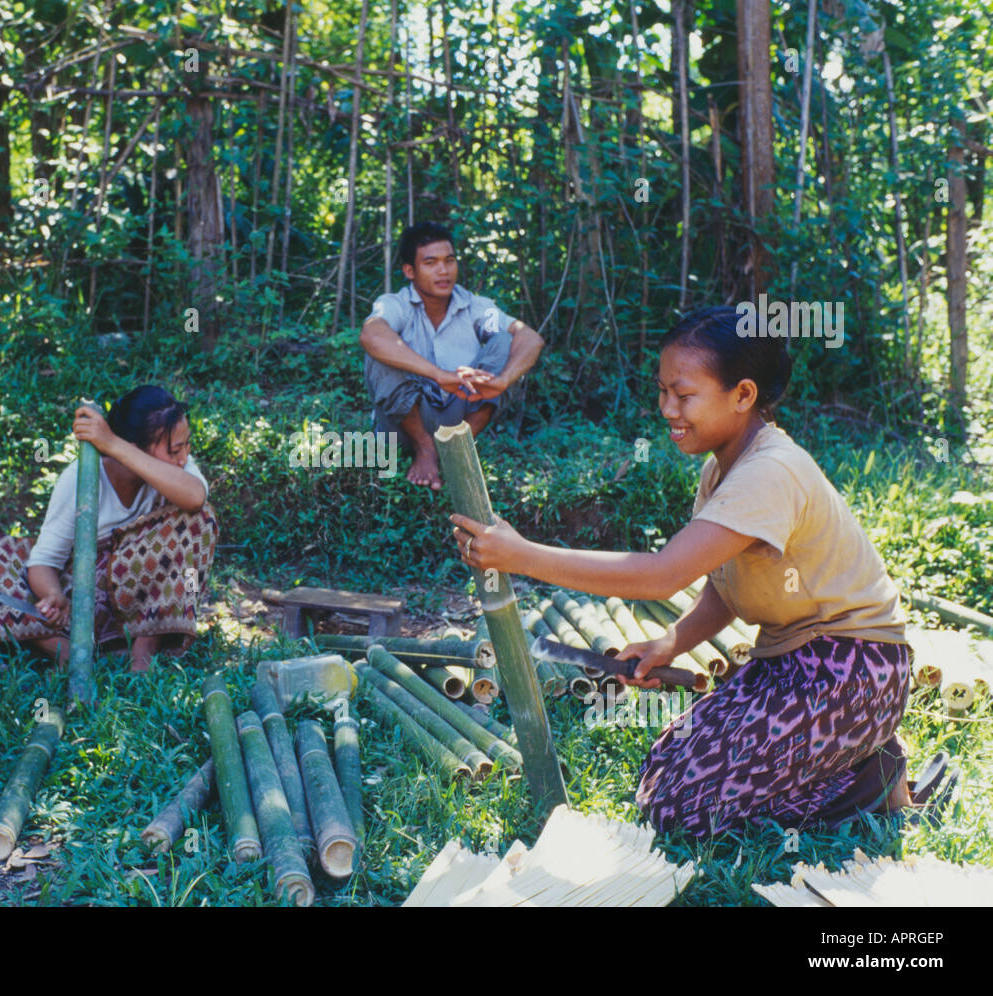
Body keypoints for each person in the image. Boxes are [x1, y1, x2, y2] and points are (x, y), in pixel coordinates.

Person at [447, 306, 946, 836]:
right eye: (662, 392)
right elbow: (726, 587)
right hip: (787, 663)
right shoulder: (721, 468)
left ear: (743, 395)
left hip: (849, 672)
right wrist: (671, 643)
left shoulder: (769, 473)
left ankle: (869, 780)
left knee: (681, 811)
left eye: (683, 395)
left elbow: (662, 575)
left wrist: (522, 555)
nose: (667, 408)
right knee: (662, 769)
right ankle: (851, 757)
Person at [0, 385, 218, 672]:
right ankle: (66, 651)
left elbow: (195, 497)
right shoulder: (79, 478)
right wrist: (53, 596)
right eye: (175, 450)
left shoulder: (179, 472)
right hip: (77, 606)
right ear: (135, 447)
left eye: (186, 445)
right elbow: (43, 561)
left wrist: (112, 443)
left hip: (137, 610)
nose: (184, 457)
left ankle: (143, 652)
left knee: (199, 518)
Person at [360, 221, 543, 490]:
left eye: (450, 260)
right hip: (401, 425)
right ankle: (425, 449)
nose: (443, 271)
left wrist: (503, 381)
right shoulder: (395, 305)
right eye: (431, 263)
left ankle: (458, 449)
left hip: (459, 418)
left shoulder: (476, 308)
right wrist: (439, 375)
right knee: (380, 349)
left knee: (507, 339)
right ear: (410, 270)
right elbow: (371, 335)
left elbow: (530, 338)